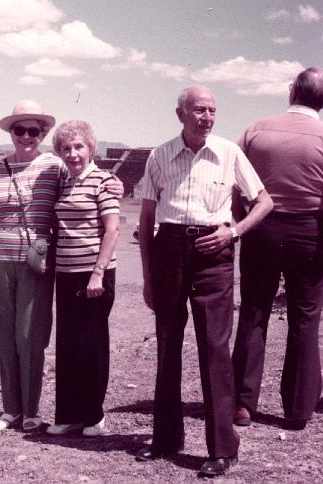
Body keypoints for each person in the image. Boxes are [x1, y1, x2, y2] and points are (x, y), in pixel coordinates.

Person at [136, 86, 273, 477]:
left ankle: (222, 448)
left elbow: (264, 202)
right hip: (169, 251)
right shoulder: (159, 156)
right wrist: (147, 276)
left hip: (214, 253)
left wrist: (234, 231)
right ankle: (165, 438)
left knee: (214, 349)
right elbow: (147, 221)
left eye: (212, 110)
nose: (207, 117)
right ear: (179, 114)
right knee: (167, 344)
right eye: (198, 110)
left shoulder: (229, 153)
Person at [0, 100, 124, 433]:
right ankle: (10, 408)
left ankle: (32, 411)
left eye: (34, 130)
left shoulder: (55, 166)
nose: (26, 135)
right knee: (6, 332)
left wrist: (116, 183)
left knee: (31, 335)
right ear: (10, 133)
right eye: (19, 129)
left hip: (36, 261)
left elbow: (89, 177)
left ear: (42, 133)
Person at [232, 67, 323, 431]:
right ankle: (299, 409)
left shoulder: (256, 129)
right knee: (305, 317)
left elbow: (235, 183)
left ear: (291, 92)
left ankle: (242, 403)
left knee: (254, 310)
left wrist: (244, 222)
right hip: (310, 231)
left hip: (262, 227)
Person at [45, 120, 120, 438]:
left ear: (91, 148)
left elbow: (113, 229)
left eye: (79, 147)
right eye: (66, 148)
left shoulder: (103, 181)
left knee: (92, 345)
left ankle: (93, 415)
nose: (73, 153)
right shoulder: (65, 182)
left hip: (94, 275)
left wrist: (97, 274)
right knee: (67, 345)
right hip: (66, 274)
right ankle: (68, 414)